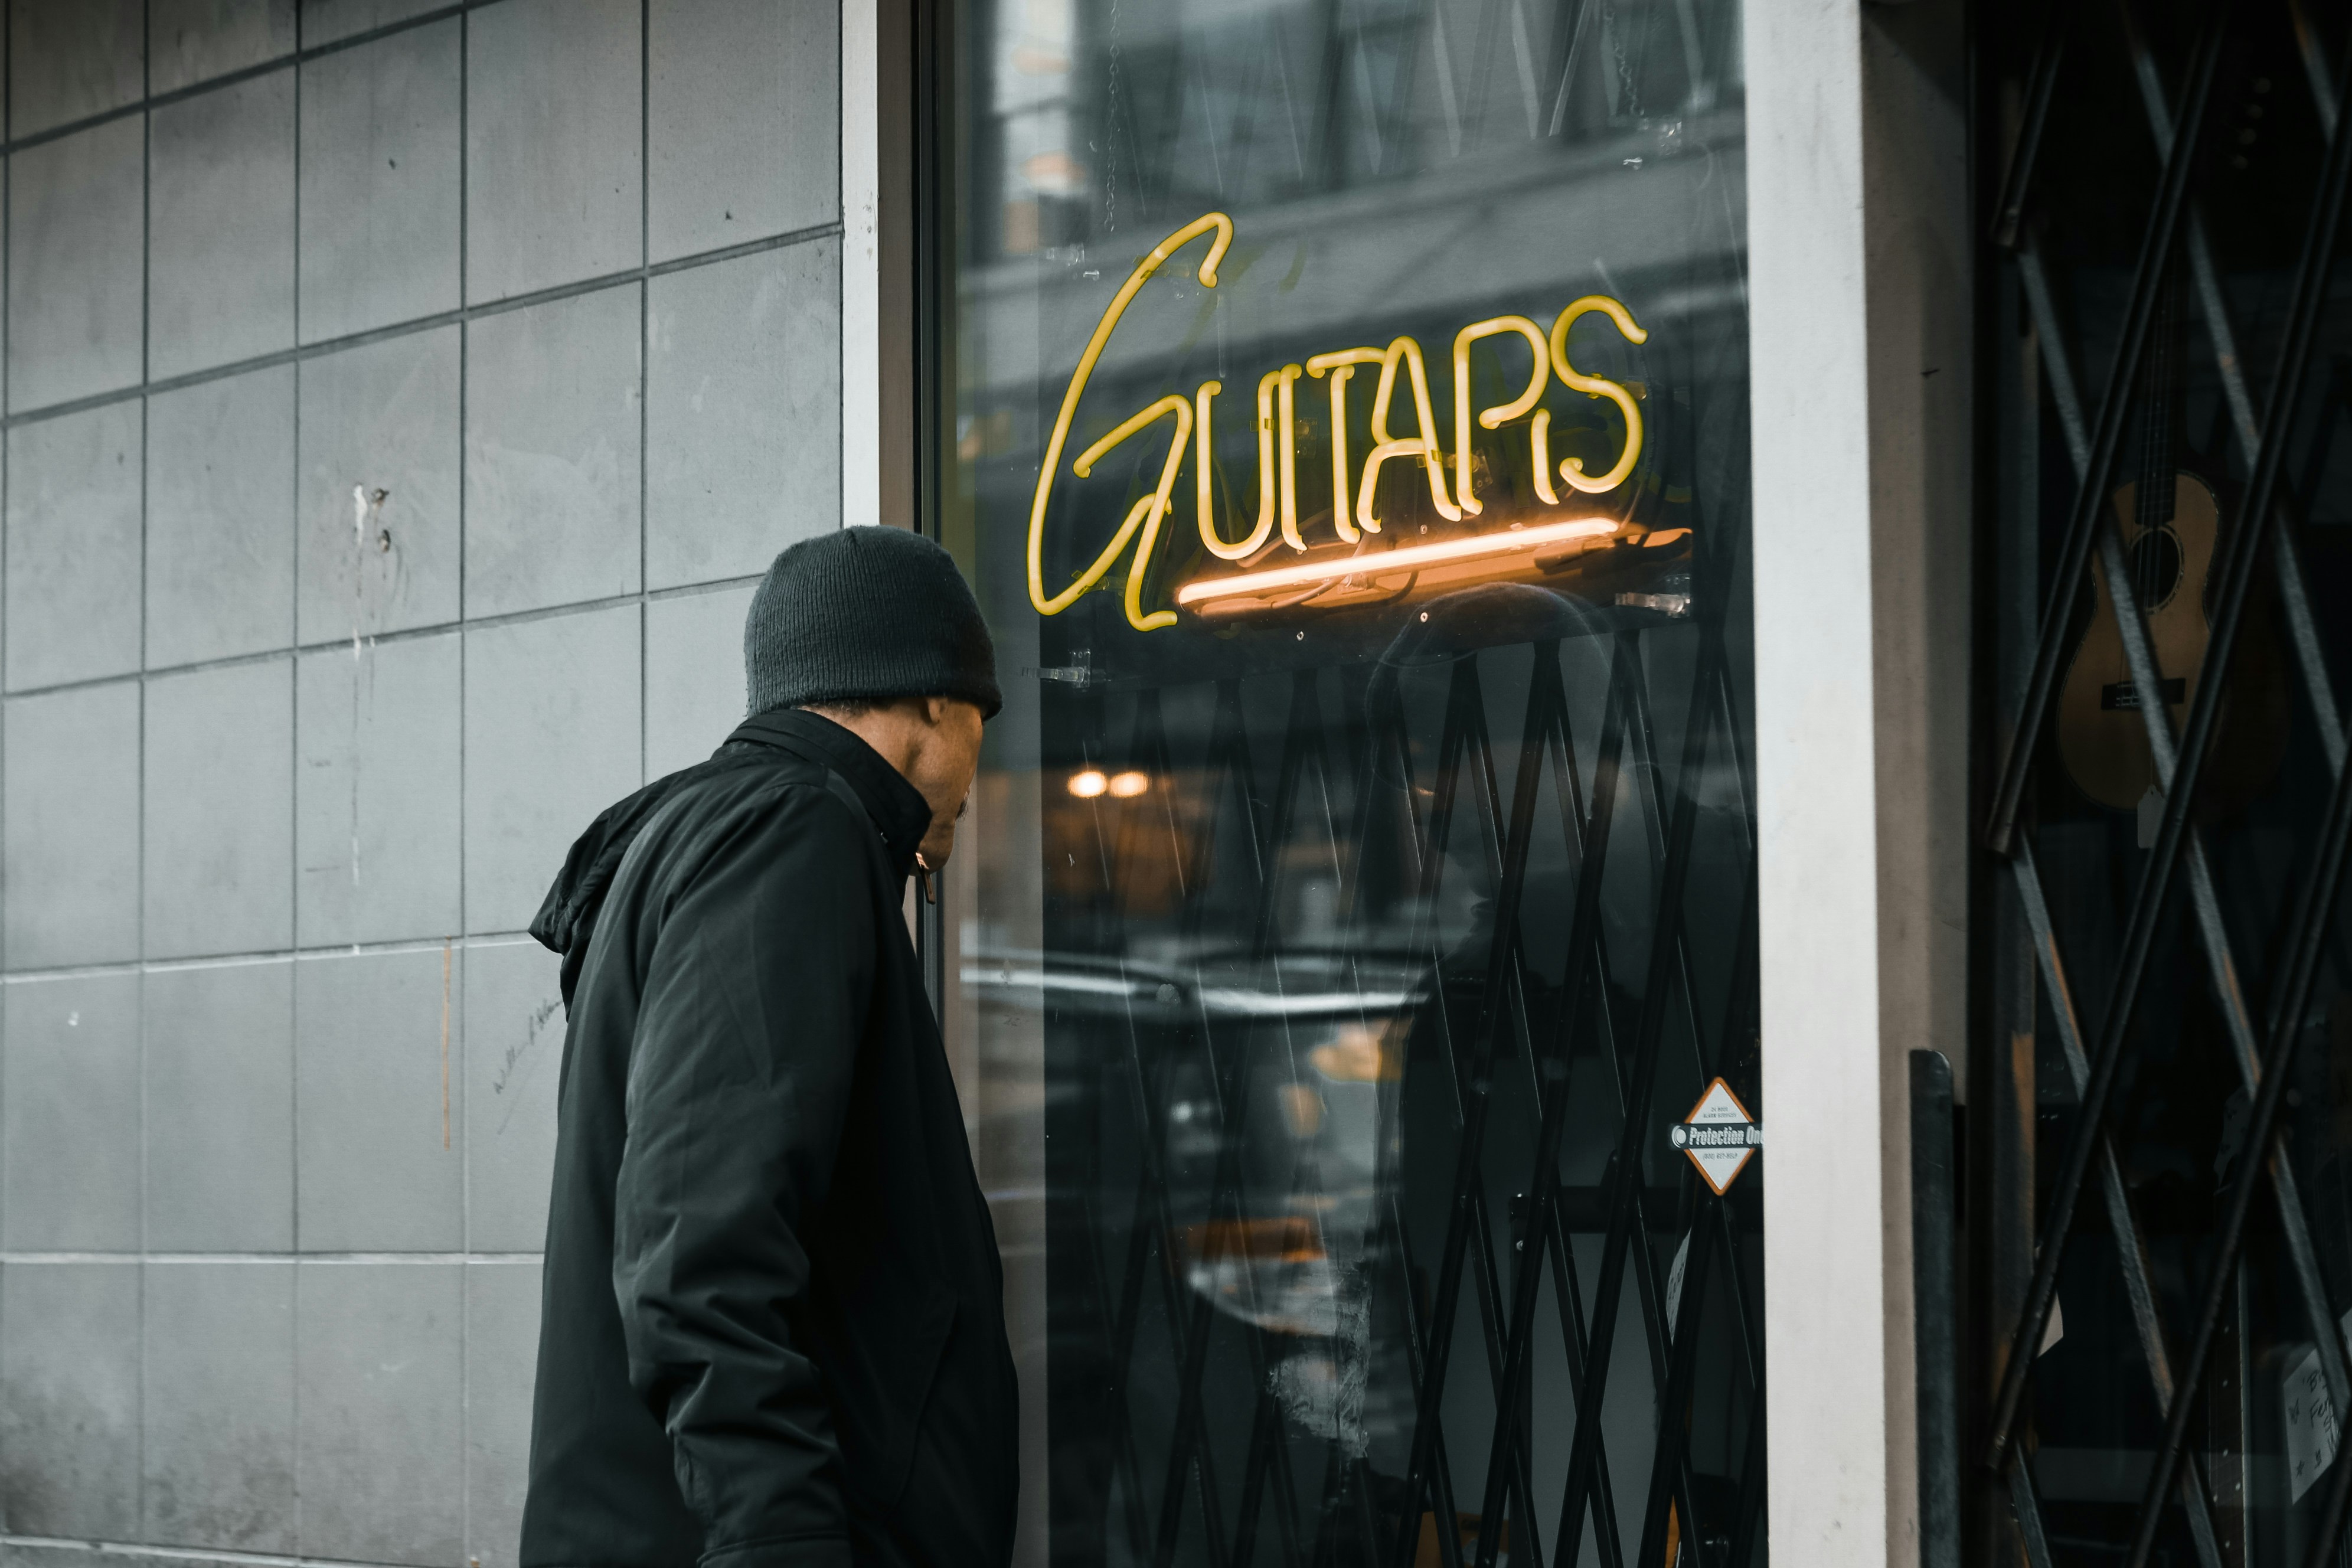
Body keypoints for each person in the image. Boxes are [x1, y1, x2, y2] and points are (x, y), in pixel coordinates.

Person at [519, 526, 1017, 1568]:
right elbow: (701, 1248)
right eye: (982, 713)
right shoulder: (795, 833)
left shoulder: (720, 832)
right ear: (933, 696)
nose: (980, 763)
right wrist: (779, 1541)